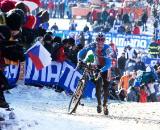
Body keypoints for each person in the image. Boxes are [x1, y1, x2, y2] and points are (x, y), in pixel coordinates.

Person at [77, 32, 113, 115]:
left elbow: (108, 64)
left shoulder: (108, 49)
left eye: (102, 40)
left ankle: (105, 104)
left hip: (105, 67)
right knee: (98, 86)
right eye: (98, 39)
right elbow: (80, 53)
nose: (100, 42)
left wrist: (101, 70)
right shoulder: (91, 45)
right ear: (95, 40)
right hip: (95, 65)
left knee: (106, 86)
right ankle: (99, 103)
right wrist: (79, 60)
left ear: (104, 41)